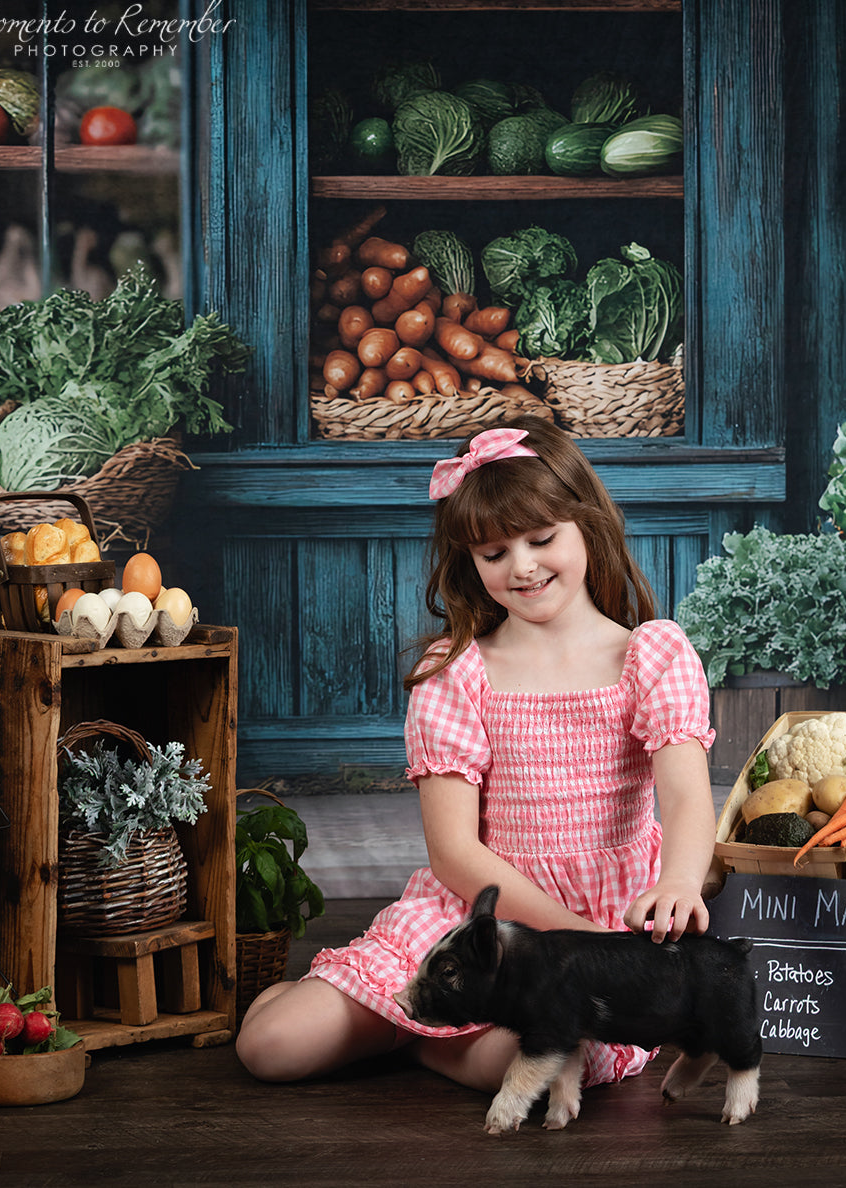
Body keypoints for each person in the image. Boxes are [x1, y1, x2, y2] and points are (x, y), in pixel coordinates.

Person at [236, 417, 717, 1094]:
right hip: (476, 920)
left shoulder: (652, 655)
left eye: (541, 539)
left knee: (559, 1064)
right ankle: (392, 1011)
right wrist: (577, 937)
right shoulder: (459, 671)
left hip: (603, 927)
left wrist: (680, 884)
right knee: (269, 1048)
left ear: (588, 524)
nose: (522, 566)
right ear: (470, 561)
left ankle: (422, 1042)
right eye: (494, 553)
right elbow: (455, 853)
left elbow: (688, 796)